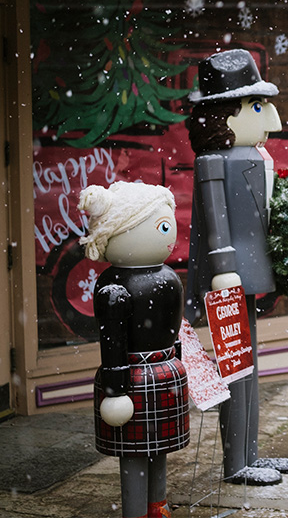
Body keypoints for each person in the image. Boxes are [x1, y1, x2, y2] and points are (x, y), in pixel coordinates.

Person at [185, 49, 288, 486]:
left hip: (253, 269)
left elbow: (268, 209)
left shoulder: (257, 159)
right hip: (229, 274)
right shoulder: (213, 164)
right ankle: (237, 463)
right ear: (224, 116)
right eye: (256, 106)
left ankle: (250, 453)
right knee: (235, 363)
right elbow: (213, 222)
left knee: (248, 362)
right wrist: (223, 266)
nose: (271, 119)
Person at [78, 181, 187, 518]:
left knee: (160, 449)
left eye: (168, 224)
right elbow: (112, 339)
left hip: (165, 369)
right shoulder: (113, 287)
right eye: (161, 225)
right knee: (135, 453)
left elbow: (174, 329)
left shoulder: (168, 277)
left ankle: (157, 504)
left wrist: (181, 360)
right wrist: (115, 388)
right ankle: (136, 511)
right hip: (130, 377)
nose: (168, 235)